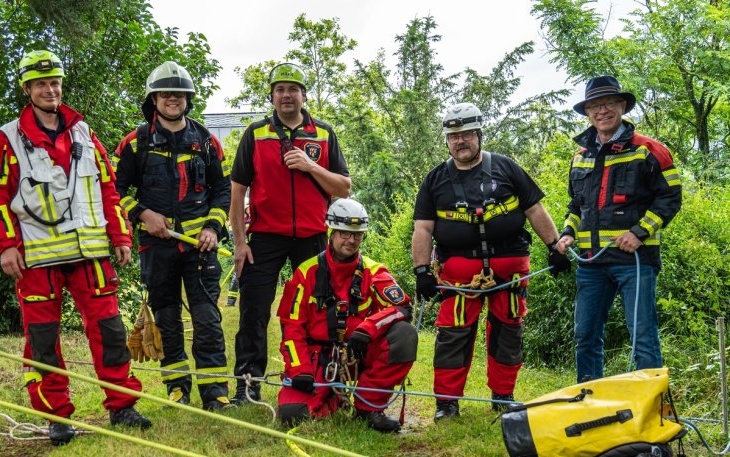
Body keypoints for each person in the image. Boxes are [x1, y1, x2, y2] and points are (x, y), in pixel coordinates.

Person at [0, 50, 151, 445]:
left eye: (54, 82)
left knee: (109, 330)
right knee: (42, 339)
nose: (49, 89)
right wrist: (7, 247)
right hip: (37, 258)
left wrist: (121, 236)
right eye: (41, 84)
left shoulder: (84, 133)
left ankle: (122, 406)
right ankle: (56, 417)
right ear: (27, 89)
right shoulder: (7, 139)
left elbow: (108, 188)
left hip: (90, 254)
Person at [412, 102, 568, 421]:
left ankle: (503, 397)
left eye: (467, 134)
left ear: (479, 134)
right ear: (446, 141)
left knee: (508, 331)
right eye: (454, 136)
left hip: (509, 272)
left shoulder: (506, 168)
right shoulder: (435, 180)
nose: (461, 141)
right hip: (458, 276)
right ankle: (446, 403)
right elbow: (423, 228)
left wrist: (554, 246)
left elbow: (535, 210)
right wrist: (422, 271)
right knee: (453, 335)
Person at [229, 62, 351, 404]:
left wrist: (311, 165)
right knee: (254, 311)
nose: (286, 95)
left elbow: (344, 188)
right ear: (272, 96)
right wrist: (240, 242)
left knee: (318, 311)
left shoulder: (324, 134)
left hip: (313, 236)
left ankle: (315, 375)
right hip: (265, 236)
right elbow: (237, 191)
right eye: (280, 90)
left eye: (293, 89)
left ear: (303, 95)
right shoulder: (256, 134)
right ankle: (247, 383)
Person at [113, 61, 231, 410]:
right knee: (166, 319)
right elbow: (114, 190)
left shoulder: (206, 141)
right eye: (165, 93)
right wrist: (141, 214)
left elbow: (222, 189)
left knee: (207, 319)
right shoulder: (135, 144)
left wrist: (213, 227)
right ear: (153, 99)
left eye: (179, 94)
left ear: (188, 99)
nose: (172, 99)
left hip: (200, 250)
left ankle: (216, 393)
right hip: (157, 247)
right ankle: (177, 388)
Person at [554, 75, 682, 383]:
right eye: (594, 106)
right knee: (585, 335)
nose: (602, 111)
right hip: (591, 263)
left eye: (608, 104)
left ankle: (651, 407)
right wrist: (567, 234)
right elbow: (576, 207)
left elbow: (671, 198)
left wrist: (639, 232)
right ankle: (589, 400)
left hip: (635, 263)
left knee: (643, 336)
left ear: (622, 106)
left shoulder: (650, 150)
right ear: (587, 113)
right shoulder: (580, 157)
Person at [277, 199, 418, 432]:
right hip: (317, 356)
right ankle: (331, 395)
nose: (351, 240)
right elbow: (291, 328)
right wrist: (299, 369)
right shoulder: (306, 273)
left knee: (404, 335)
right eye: (345, 233)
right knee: (293, 415)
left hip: (358, 353)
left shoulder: (373, 271)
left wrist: (368, 329)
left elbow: (402, 307)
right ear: (331, 233)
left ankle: (368, 407)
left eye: (357, 235)